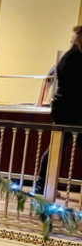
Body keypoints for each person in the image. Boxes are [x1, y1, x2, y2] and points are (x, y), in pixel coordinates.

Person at [36, 26, 82, 195]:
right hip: (71, 110)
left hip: (66, 108)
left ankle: (42, 184)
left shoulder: (71, 56)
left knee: (56, 147)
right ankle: (42, 184)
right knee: (56, 147)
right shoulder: (74, 59)